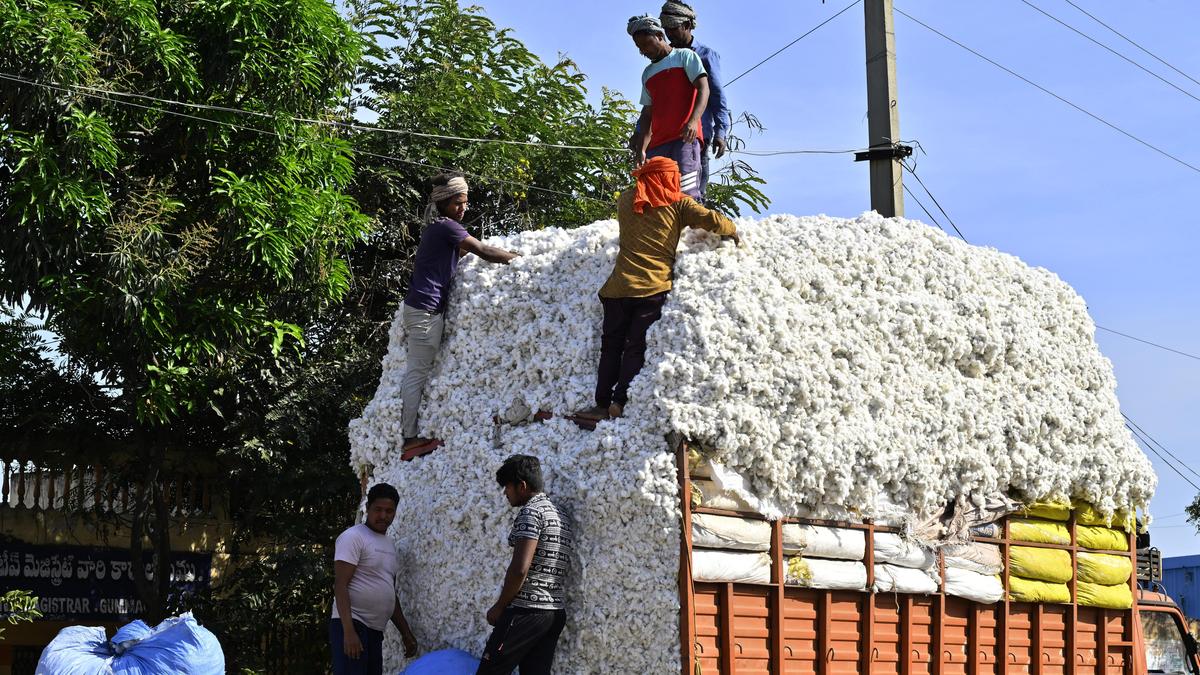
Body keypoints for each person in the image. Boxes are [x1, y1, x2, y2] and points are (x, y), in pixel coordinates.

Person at [576, 157, 738, 421]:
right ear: (670, 179)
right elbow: (713, 220)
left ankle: (601, 403)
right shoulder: (679, 203)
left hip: (618, 288)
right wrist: (732, 230)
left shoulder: (627, 200)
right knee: (635, 347)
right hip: (652, 287)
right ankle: (620, 401)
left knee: (611, 347)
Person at [400, 173, 520, 453]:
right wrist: (520, 260)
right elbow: (483, 251)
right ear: (443, 203)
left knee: (418, 371)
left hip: (422, 307)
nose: (463, 208)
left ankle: (410, 433)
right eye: (457, 203)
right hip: (425, 311)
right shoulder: (447, 228)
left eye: (465, 203)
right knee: (417, 373)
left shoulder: (438, 230)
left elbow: (459, 255)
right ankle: (409, 438)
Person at [477, 455, 573, 675]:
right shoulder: (559, 515)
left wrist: (499, 607)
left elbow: (520, 568)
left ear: (522, 486)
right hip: (553, 613)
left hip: (525, 613)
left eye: (507, 487)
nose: (505, 493)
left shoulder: (531, 513)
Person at [330, 483, 418, 675]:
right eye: (378, 510)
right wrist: (349, 632)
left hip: (375, 630)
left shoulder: (389, 545)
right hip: (353, 625)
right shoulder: (353, 537)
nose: (384, 516)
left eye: (389, 511)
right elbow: (340, 585)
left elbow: (389, 593)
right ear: (367, 508)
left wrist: (406, 633)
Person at [627, 15, 709, 201]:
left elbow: (704, 88)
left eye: (646, 44)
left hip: (684, 140)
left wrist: (693, 121)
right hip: (657, 146)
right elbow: (648, 114)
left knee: (686, 195)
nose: (643, 51)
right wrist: (642, 148)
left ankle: (692, 231)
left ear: (659, 36)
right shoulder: (647, 74)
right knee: (656, 199)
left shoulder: (685, 56)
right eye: (639, 48)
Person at [659, 1, 731, 199]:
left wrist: (721, 132)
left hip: (697, 133)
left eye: (673, 29)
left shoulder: (706, 56)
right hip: (666, 136)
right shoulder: (666, 57)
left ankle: (695, 228)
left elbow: (717, 96)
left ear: (687, 26)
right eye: (666, 29)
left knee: (692, 192)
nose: (669, 34)